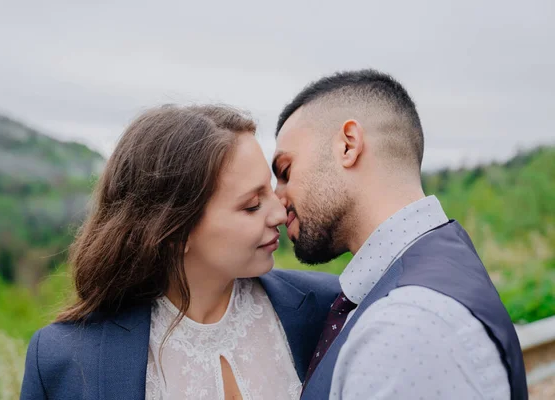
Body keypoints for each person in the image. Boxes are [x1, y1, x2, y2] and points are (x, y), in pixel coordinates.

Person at [20, 105, 340, 400]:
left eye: (270, 191)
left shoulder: (330, 306)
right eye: (251, 205)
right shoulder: (64, 358)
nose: (280, 215)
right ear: (174, 233)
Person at [272, 69, 527, 399]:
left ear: (348, 146)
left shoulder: (406, 327)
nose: (278, 203)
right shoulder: (440, 263)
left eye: (286, 172)